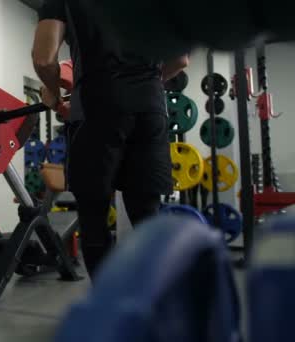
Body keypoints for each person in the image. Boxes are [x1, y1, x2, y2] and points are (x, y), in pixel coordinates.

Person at [31, 0, 189, 280]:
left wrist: (54, 94)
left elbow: (44, 59)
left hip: (98, 103)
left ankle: (106, 309)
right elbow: (180, 60)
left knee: (94, 218)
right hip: (150, 107)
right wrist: (146, 81)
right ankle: (152, 308)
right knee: (147, 217)